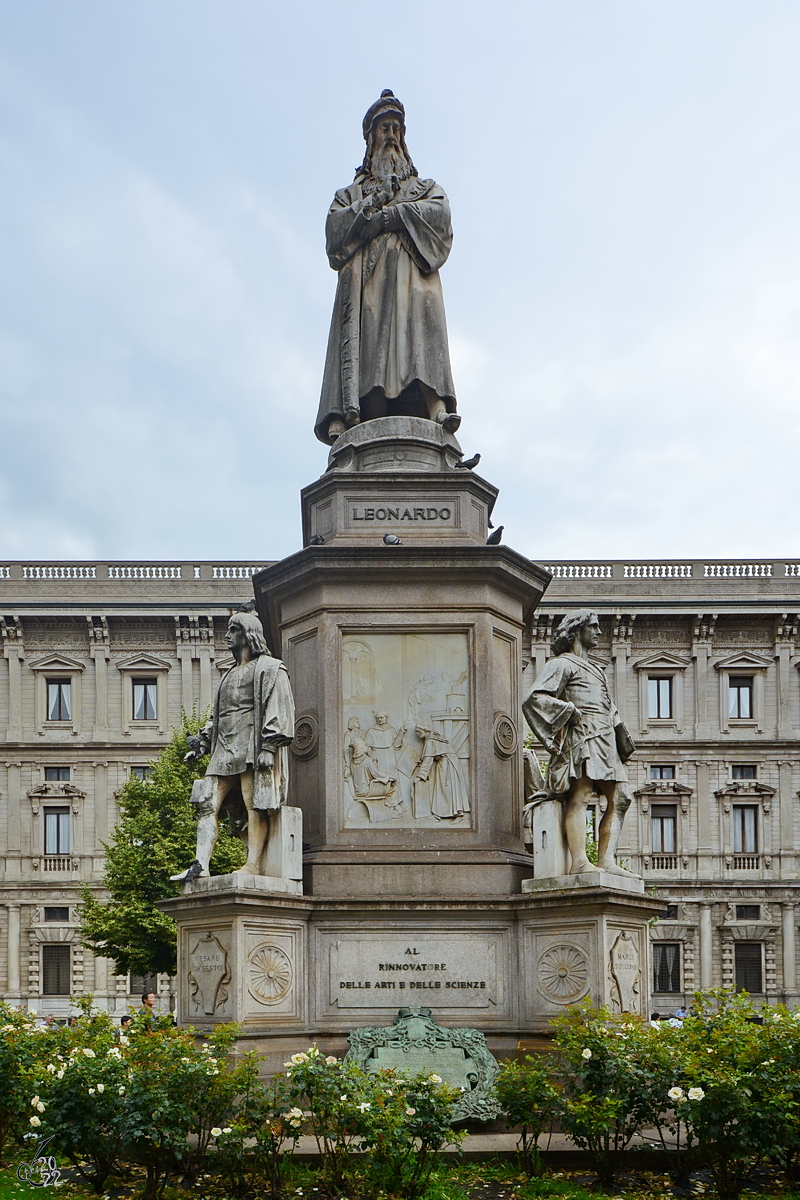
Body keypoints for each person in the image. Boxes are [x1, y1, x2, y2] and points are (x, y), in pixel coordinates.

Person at [315, 90, 459, 444]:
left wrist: (394, 214)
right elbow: (335, 234)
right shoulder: (350, 196)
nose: (391, 135)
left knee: (421, 323)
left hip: (413, 282)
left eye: (397, 128)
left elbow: (440, 217)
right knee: (372, 339)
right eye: (384, 128)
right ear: (370, 138)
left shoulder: (424, 188)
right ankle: (365, 420)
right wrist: (376, 201)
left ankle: (436, 405)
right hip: (369, 286)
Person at [172, 611, 295, 880]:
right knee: (207, 803)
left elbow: (279, 708)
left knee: (255, 805)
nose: (227, 636)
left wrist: (269, 747)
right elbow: (218, 715)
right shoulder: (228, 675)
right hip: (224, 748)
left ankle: (252, 864)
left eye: (233, 630)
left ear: (248, 633)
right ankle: (201, 864)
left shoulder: (271, 668)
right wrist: (202, 744)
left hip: (251, 746)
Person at [523, 611, 636, 876]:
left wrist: (619, 729)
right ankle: (579, 862)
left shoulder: (597, 669)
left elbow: (606, 704)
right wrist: (568, 711)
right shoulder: (562, 664)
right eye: (593, 627)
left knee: (622, 798)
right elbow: (535, 697)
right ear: (576, 631)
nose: (599, 632)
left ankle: (606, 861)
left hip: (606, 737)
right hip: (583, 736)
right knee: (581, 796)